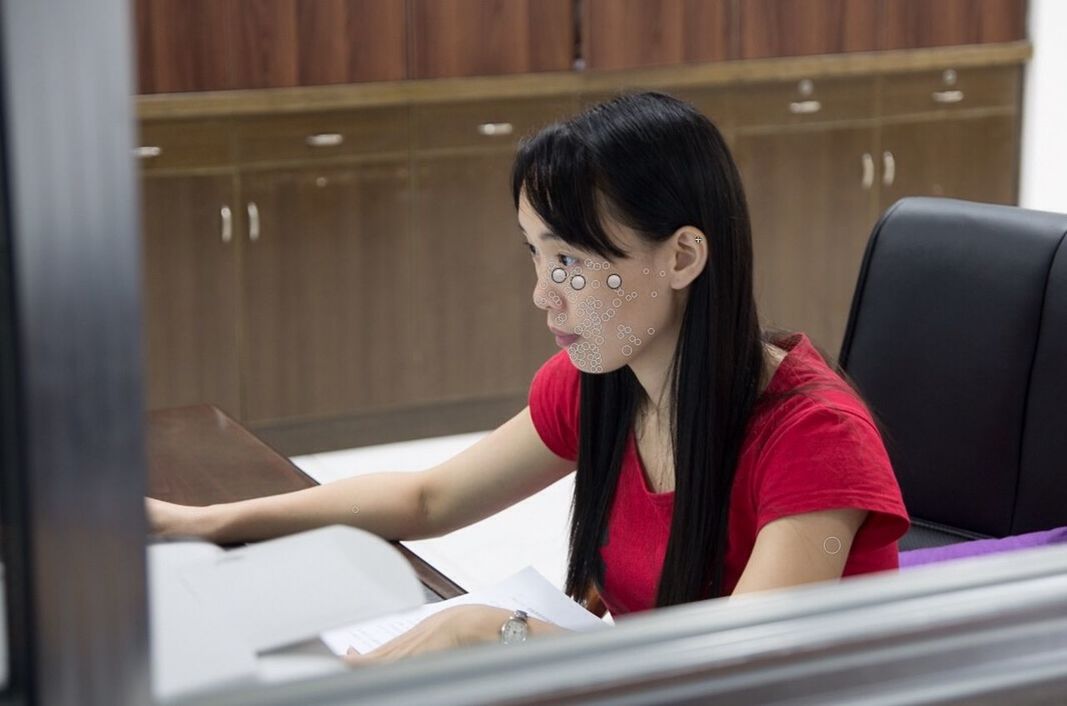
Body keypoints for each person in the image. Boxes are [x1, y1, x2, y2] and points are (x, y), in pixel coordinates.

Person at [146, 92, 910, 665]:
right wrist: (200, 524)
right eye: (536, 255)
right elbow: (430, 498)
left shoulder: (813, 437)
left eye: (571, 262)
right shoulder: (604, 384)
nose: (543, 294)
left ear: (681, 257)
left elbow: (740, 672)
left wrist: (495, 631)